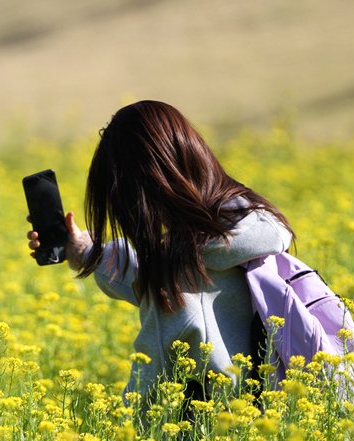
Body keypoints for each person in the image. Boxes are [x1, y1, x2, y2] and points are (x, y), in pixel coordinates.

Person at [26, 100, 294, 405]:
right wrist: (82, 249)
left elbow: (149, 393)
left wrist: (124, 438)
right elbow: (145, 271)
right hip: (275, 418)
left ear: (143, 192)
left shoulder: (176, 275)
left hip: (214, 437)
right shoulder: (250, 224)